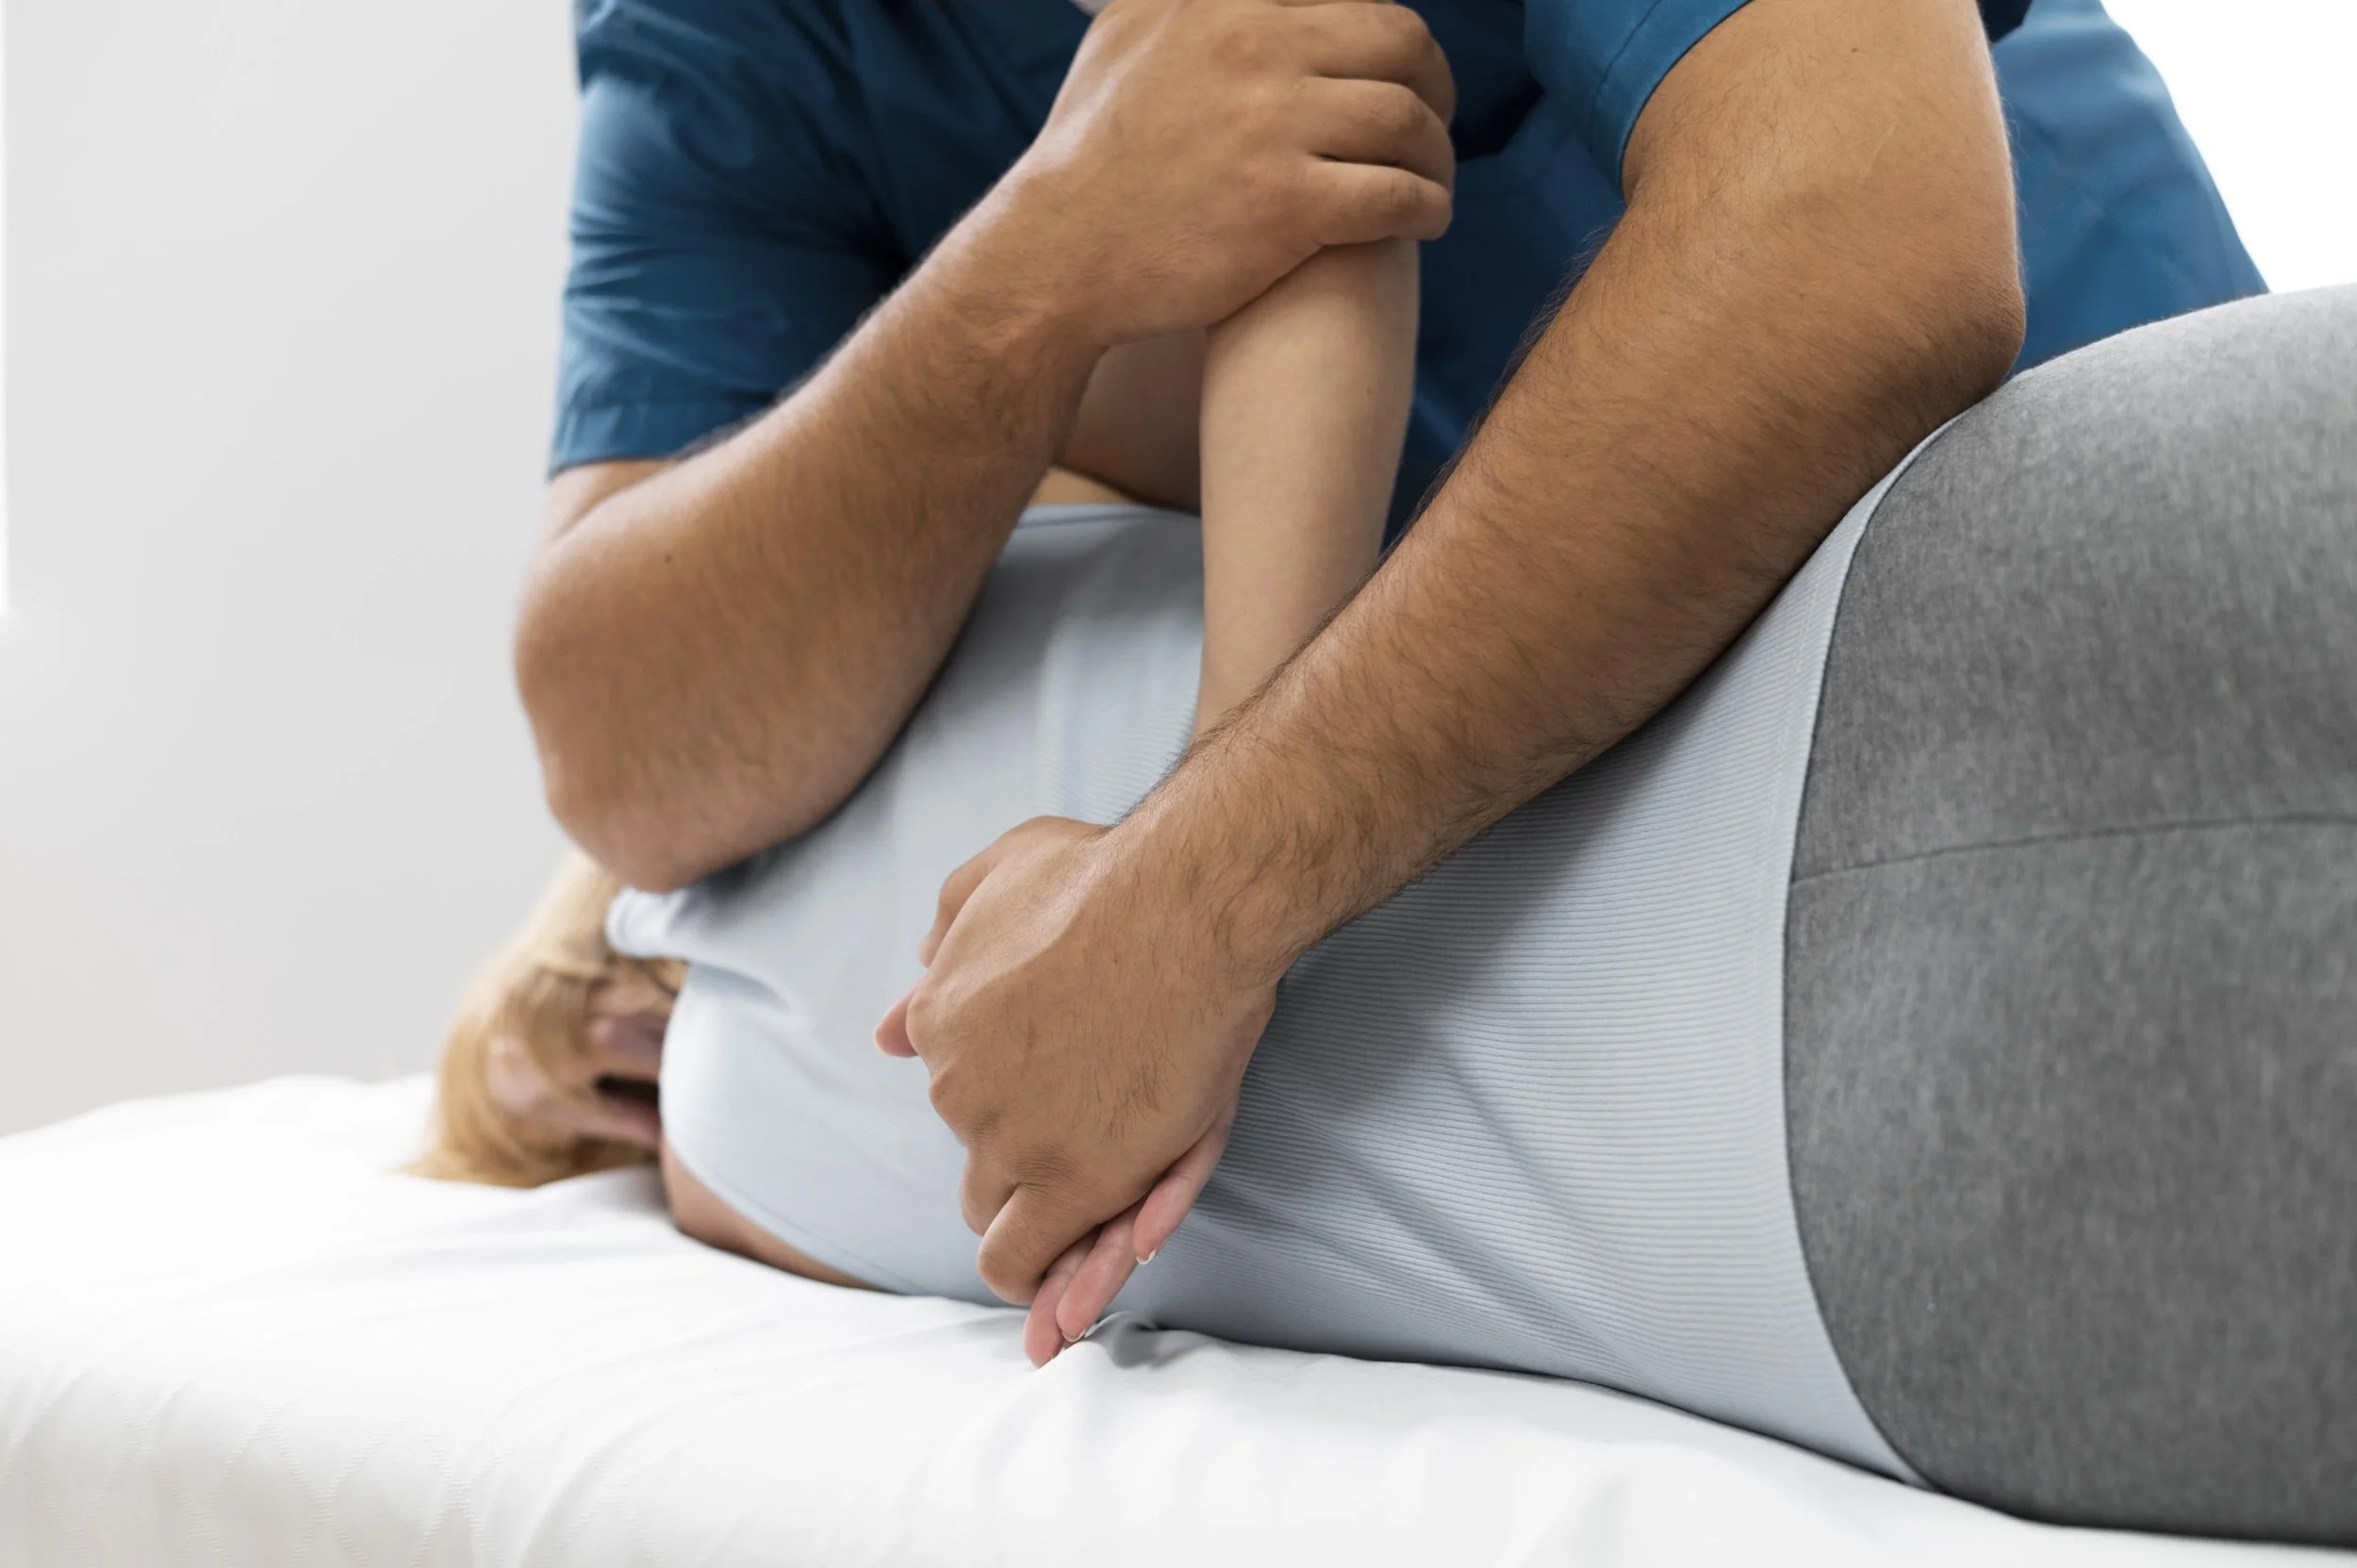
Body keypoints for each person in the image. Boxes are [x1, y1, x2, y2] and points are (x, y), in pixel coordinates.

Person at [438, 283, 2357, 1545]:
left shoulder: (737, 1149)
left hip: (1900, 1227)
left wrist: (1184, 883)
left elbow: (1311, 260)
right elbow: (1305, 258)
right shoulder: (724, 1125)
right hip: (1924, 1153)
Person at [510, 0, 2266, 1353]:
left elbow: (1868, 237)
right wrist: (1039, 265)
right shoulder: (747, 42)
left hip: (2113, 631)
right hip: (1578, 821)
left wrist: (1186, 903)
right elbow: (626, 741)